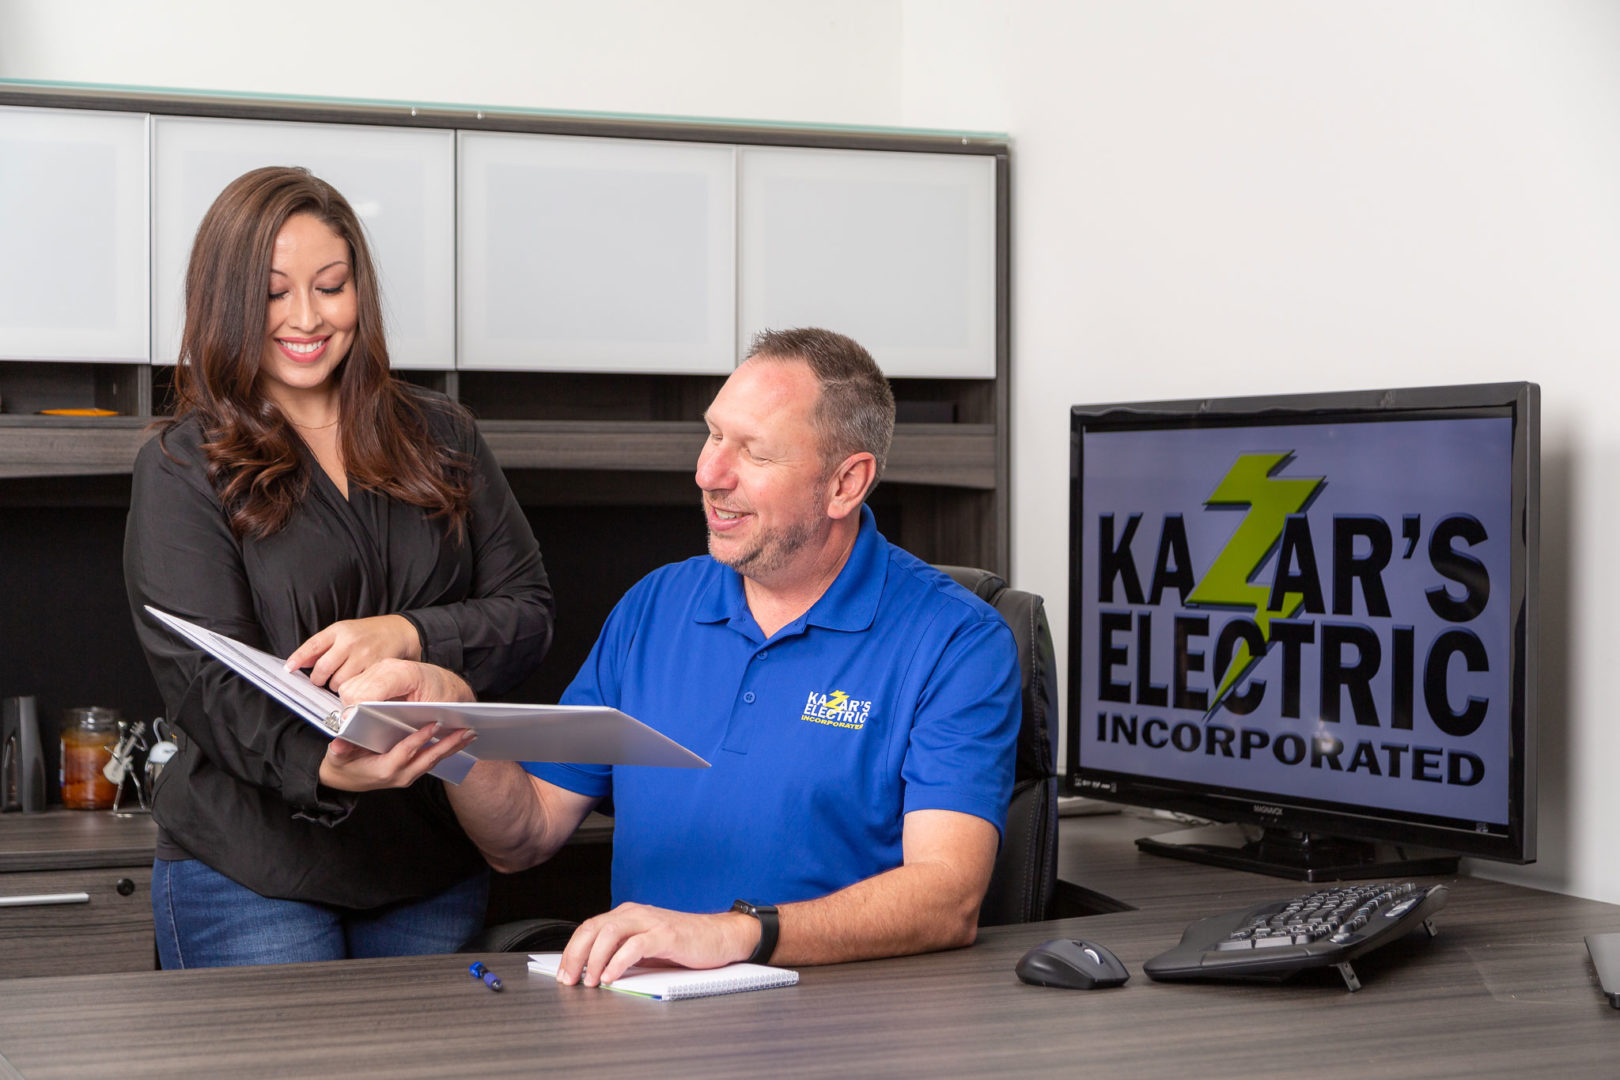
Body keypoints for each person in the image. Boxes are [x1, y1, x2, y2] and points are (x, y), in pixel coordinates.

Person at [345, 327, 1019, 986]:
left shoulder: (959, 641)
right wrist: (457, 722)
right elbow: (523, 836)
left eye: (754, 453)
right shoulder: (655, 607)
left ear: (847, 484)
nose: (708, 472)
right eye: (714, 434)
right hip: (646, 1018)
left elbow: (948, 897)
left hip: (839, 1021)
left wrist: (735, 934)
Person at [124, 166, 555, 968]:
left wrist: (409, 634)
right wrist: (319, 767)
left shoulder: (445, 435)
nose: (307, 318)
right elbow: (202, 679)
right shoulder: (184, 464)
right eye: (274, 293)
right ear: (226, 301)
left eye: (331, 286)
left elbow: (528, 614)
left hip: (429, 866)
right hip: (252, 867)